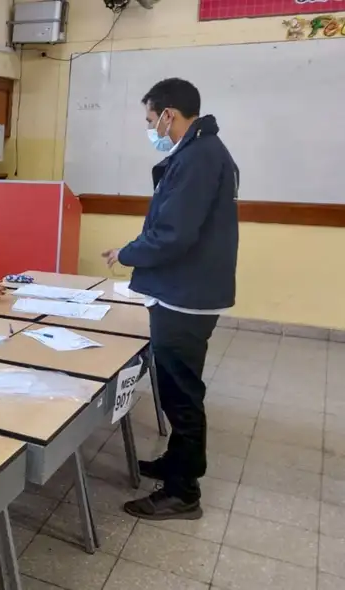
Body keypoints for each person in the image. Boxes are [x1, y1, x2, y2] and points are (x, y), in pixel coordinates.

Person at [103, 78, 239, 521]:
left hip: (185, 296)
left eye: (150, 120)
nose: (151, 129)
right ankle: (177, 465)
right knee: (180, 385)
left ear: (169, 114)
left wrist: (125, 253)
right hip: (187, 291)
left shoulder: (199, 157)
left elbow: (173, 235)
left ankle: (183, 492)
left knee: (181, 394)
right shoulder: (202, 151)